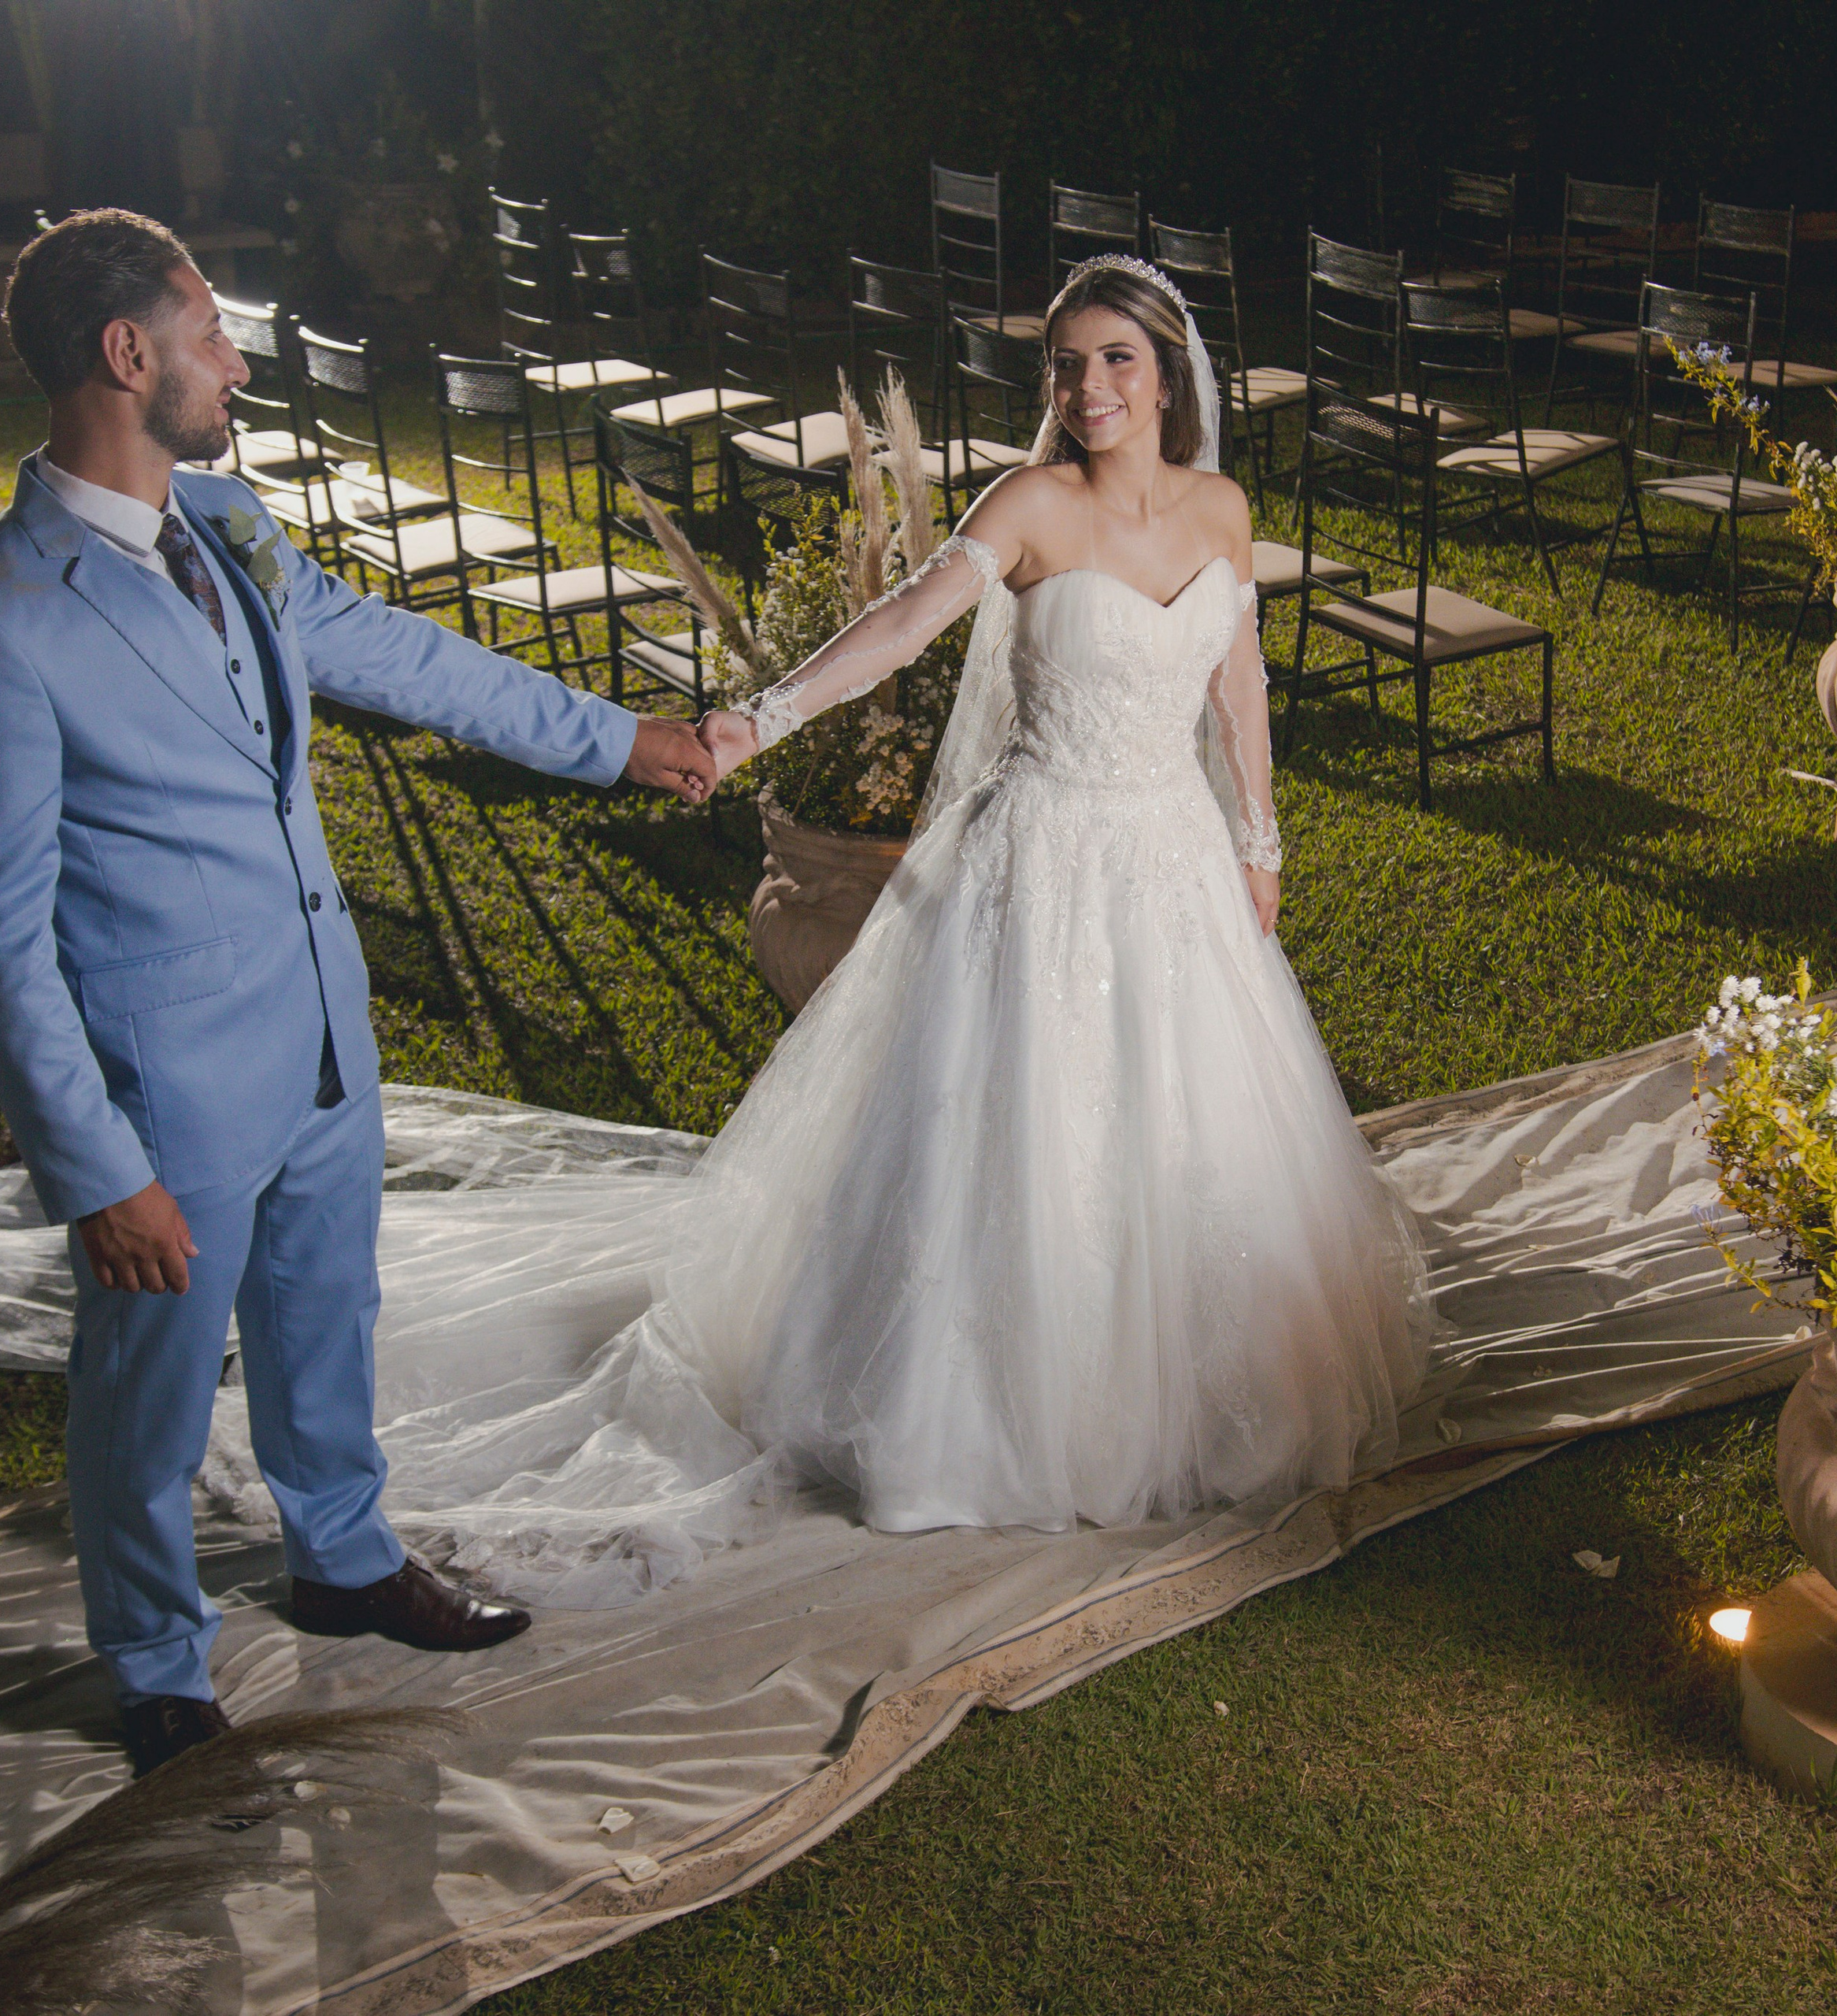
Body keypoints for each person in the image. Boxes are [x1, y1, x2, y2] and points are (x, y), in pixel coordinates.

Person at [339, 257, 1431, 1595]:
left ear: (1169, 372)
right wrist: (756, 724)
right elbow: (903, 628)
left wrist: (1259, 840)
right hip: (1037, 867)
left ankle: (1191, 1395)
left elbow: (1238, 684)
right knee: (1018, 1133)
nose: (1088, 388)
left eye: (1115, 360)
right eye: (1066, 364)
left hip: (1175, 862)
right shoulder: (1029, 502)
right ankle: (971, 1412)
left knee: (1184, 1124)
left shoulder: (1219, 509)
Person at [0, 209, 715, 1774]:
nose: (234, 357)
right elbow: (8, 938)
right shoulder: (16, 615)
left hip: (321, 1028)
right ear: (128, 357)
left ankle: (342, 1553)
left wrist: (618, 738)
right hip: (166, 1089)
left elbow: (402, 655)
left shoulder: (233, 524)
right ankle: (158, 1655)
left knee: (331, 1315)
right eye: (207, 330)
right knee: (153, 1389)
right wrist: (100, 1166)